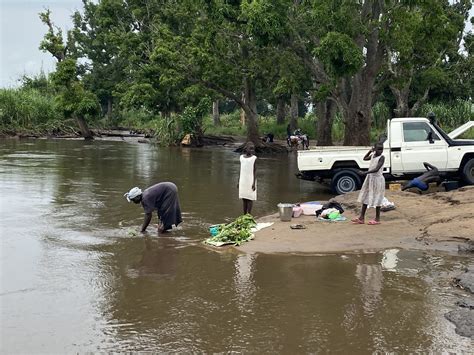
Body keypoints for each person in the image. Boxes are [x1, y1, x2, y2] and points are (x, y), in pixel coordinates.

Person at [352, 143, 386, 225]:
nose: (380, 151)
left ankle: (377, 219)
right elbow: (364, 158)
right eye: (378, 149)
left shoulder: (382, 157)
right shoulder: (373, 155)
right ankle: (361, 218)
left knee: (378, 198)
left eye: (382, 149)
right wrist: (370, 151)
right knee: (366, 196)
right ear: (375, 149)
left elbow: (377, 169)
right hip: (370, 178)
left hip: (378, 179)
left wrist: (365, 172)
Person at [237, 142, 257, 215]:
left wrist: (254, 183)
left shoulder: (254, 158)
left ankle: (249, 214)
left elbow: (255, 171)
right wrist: (238, 181)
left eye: (253, 149)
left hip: (250, 180)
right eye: (250, 149)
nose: (252, 150)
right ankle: (244, 214)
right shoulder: (241, 157)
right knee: (244, 198)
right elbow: (240, 170)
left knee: (250, 198)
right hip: (243, 180)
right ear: (246, 149)